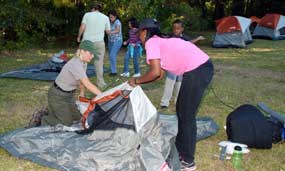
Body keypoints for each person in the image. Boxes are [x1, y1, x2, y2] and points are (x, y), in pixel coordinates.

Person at [128, 18, 214, 171]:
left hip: (197, 69)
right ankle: (180, 148)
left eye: (139, 32)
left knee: (187, 115)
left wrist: (136, 80)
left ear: (145, 32)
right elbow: (159, 74)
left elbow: (154, 73)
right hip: (199, 68)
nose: (138, 37)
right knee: (182, 110)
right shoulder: (159, 41)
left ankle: (188, 161)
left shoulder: (151, 42)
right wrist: (139, 82)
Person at [29, 40, 102, 127]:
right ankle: (42, 119)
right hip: (57, 96)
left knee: (78, 118)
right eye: (91, 53)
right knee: (66, 123)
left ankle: (52, 112)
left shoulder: (84, 62)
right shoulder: (75, 64)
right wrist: (103, 95)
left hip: (69, 96)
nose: (92, 56)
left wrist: (82, 93)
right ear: (82, 51)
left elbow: (82, 80)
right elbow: (88, 84)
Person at [160, 19, 205, 108]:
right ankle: (164, 103)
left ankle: (178, 101)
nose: (175, 30)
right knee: (170, 83)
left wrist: (198, 38)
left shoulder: (185, 38)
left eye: (178, 28)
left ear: (182, 29)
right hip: (172, 64)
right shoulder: (171, 37)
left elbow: (189, 43)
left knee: (179, 83)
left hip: (181, 65)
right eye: (174, 28)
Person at [77, 2, 110, 88]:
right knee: (99, 63)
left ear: (93, 8)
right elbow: (108, 32)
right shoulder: (106, 17)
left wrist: (78, 37)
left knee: (83, 63)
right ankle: (101, 83)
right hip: (99, 43)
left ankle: (82, 82)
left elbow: (82, 27)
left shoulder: (87, 15)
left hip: (87, 42)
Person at [108, 10, 123, 76]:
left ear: (115, 17)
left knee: (112, 55)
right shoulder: (110, 22)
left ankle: (114, 72)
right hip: (110, 41)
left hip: (117, 41)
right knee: (111, 56)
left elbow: (117, 30)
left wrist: (110, 32)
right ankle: (112, 69)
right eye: (109, 17)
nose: (110, 19)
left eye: (111, 17)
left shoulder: (117, 22)